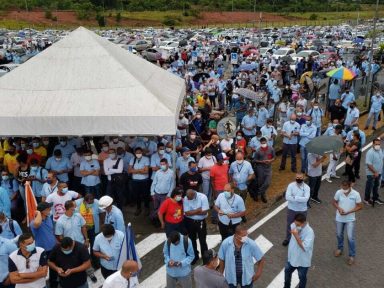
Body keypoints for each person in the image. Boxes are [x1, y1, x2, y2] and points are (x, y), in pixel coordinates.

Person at [332, 181, 362, 265]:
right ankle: (340, 248)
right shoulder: (339, 192)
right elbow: (334, 202)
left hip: (350, 219)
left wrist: (349, 212)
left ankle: (352, 256)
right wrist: (339, 208)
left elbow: (360, 206)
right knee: (338, 234)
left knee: (350, 237)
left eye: (345, 188)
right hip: (339, 218)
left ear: (350, 186)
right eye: (342, 187)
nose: (343, 189)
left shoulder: (356, 194)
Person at [30, 202, 58, 288]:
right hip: (43, 251)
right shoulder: (34, 222)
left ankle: (54, 285)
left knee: (54, 269)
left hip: (53, 248)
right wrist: (38, 213)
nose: (50, 210)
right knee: (43, 271)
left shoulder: (49, 218)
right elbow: (37, 224)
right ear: (42, 211)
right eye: (48, 209)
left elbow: (51, 231)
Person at [284, 213, 314, 288]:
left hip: (302, 261)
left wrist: (296, 236)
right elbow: (292, 226)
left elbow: (304, 247)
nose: (296, 226)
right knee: (287, 273)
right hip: (292, 258)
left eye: (298, 225)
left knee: (302, 278)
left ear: (303, 223)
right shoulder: (294, 225)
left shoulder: (310, 232)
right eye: (295, 223)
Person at [283, 174, 310, 246]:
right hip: (291, 209)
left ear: (303, 178)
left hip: (302, 210)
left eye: (300, 177)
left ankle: (300, 238)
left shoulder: (307, 187)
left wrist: (295, 197)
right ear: (295, 177)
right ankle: (288, 239)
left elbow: (306, 199)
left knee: (301, 225)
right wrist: (300, 198)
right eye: (297, 177)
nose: (298, 179)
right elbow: (287, 197)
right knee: (289, 224)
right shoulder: (291, 185)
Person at [183, 189, 209, 265]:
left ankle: (206, 259)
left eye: (189, 198)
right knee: (191, 240)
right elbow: (187, 213)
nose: (187, 199)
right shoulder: (186, 198)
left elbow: (204, 212)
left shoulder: (203, 197)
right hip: (190, 222)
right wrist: (198, 210)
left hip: (200, 222)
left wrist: (192, 212)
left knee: (203, 241)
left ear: (193, 195)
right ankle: (194, 256)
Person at [252, 137, 275, 203]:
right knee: (261, 182)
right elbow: (254, 160)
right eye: (262, 143)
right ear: (260, 143)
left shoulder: (271, 149)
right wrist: (262, 162)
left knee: (267, 182)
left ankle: (258, 193)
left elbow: (274, 157)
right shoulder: (258, 150)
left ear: (266, 142)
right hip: (260, 168)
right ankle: (263, 195)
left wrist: (270, 160)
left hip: (268, 168)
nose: (263, 144)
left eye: (264, 143)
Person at [128, 147, 150, 216]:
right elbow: (129, 170)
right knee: (137, 195)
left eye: (139, 152)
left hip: (144, 180)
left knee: (145, 195)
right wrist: (140, 170)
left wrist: (135, 171)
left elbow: (146, 171)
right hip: (135, 181)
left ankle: (146, 208)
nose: (138, 154)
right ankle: (138, 208)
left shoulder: (146, 159)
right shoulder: (132, 159)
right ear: (134, 153)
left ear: (142, 152)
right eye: (137, 153)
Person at [364, 139, 384, 206]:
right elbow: (369, 164)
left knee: (376, 185)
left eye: (379, 144)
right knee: (369, 186)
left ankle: (375, 198)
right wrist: (375, 172)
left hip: (379, 172)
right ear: (373, 144)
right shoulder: (370, 152)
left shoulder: (380, 150)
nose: (378, 145)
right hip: (371, 173)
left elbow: (381, 159)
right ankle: (366, 199)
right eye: (376, 144)